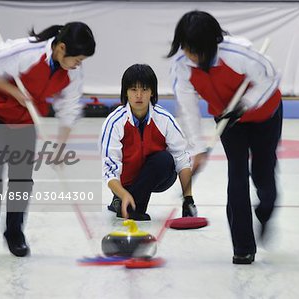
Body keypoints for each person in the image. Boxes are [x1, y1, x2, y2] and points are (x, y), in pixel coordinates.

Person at [0, 22, 96, 265]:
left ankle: (14, 234)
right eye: (78, 58)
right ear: (61, 48)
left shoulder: (73, 72)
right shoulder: (26, 52)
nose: (79, 64)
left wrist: (60, 147)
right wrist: (13, 91)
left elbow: (69, 108)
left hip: (25, 119)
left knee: (22, 180)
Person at [168, 11, 282, 264]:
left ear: (212, 43)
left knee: (263, 175)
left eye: (197, 50)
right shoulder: (181, 66)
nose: (191, 56)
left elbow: (272, 77)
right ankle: (243, 247)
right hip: (229, 121)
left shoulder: (238, 54)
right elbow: (187, 108)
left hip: (264, 114)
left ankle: (265, 211)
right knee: (237, 176)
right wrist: (197, 148)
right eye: (186, 48)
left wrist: (246, 103)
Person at [101, 64, 197, 221]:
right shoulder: (114, 122)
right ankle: (124, 201)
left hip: (157, 177)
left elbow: (182, 158)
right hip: (124, 181)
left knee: (164, 159)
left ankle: (130, 205)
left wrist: (188, 199)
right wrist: (123, 193)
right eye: (133, 90)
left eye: (144, 89)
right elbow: (110, 169)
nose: (139, 95)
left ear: (152, 92)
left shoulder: (164, 119)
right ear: (125, 92)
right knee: (124, 189)